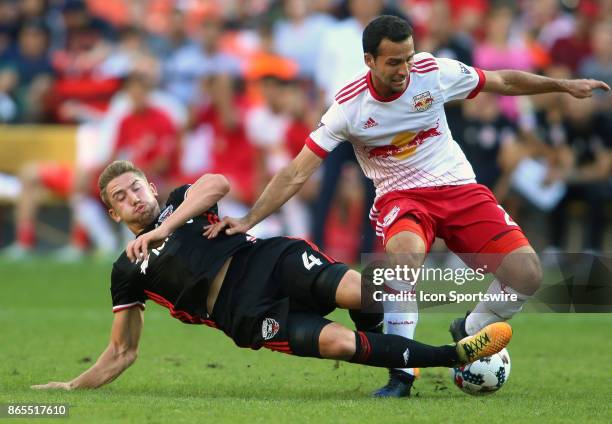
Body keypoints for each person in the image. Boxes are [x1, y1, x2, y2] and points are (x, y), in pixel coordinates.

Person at [204, 15, 610, 397]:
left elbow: (501, 81)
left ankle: (471, 326)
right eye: (394, 61)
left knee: (528, 275)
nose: (404, 69)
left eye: (409, 57)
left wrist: (562, 85)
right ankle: (402, 373)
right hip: (402, 198)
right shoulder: (348, 107)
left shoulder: (433, 73)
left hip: (459, 189)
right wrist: (250, 218)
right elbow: (296, 172)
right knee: (405, 258)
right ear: (370, 61)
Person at [31, 160, 512, 392]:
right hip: (245, 313)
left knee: (364, 290)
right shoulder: (125, 270)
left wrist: (165, 229)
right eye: (121, 196)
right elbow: (123, 351)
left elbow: (219, 183)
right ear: (114, 214)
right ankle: (455, 355)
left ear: (151, 186)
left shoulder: (180, 200)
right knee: (340, 345)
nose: (133, 196)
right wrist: (73, 388)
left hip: (267, 261)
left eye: (136, 186)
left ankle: (421, 342)